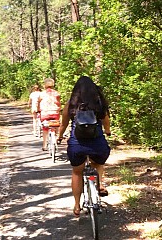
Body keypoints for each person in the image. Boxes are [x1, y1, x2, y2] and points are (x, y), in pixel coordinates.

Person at [58, 76, 111, 217]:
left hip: (77, 144)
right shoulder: (98, 102)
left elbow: (63, 124)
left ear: (76, 90)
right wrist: (107, 131)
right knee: (98, 163)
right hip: (97, 144)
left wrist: (59, 136)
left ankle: (76, 205)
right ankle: (99, 184)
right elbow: (106, 121)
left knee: (77, 172)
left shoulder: (71, 104)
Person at [38, 78, 61, 151]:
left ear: (45, 85)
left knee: (45, 129)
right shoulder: (57, 93)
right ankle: (56, 137)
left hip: (45, 113)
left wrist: (39, 110)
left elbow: (39, 103)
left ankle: (44, 145)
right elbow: (58, 103)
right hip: (55, 112)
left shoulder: (42, 94)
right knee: (56, 124)